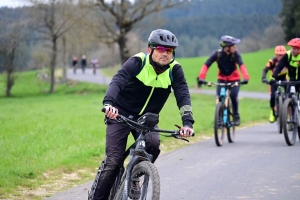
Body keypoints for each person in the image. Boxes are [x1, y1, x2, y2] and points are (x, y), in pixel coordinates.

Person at [88, 29, 195, 200]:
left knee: (153, 145)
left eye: (169, 50)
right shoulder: (138, 62)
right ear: (150, 50)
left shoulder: (175, 70)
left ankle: (135, 175)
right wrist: (109, 104)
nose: (165, 53)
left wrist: (187, 123)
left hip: (147, 119)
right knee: (113, 161)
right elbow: (118, 80)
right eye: (161, 49)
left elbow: (183, 96)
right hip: (120, 115)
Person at [197, 35, 250, 126]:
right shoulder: (217, 54)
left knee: (233, 95)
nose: (235, 47)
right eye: (233, 45)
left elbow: (241, 65)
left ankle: (236, 115)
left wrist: (246, 77)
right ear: (227, 47)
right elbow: (206, 64)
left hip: (234, 79)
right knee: (218, 97)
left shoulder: (235, 54)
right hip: (221, 79)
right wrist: (201, 77)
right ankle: (218, 119)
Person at [262, 45, 287, 123]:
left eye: (282, 55)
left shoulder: (287, 60)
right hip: (274, 80)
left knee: (288, 94)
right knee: (272, 96)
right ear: (275, 54)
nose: (281, 56)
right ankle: (272, 111)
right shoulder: (272, 61)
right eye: (279, 55)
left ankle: (289, 110)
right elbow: (265, 70)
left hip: (284, 78)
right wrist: (263, 78)